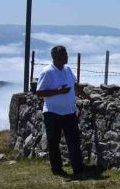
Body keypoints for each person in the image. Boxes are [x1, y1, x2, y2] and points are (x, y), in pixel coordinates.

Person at [35, 45, 91, 178]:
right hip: (52, 113)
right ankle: (57, 169)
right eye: (63, 55)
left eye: (66, 54)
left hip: (69, 112)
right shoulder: (47, 72)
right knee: (54, 142)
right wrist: (58, 91)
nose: (67, 57)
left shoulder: (68, 69)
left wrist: (88, 97)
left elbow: (75, 86)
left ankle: (78, 168)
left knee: (74, 141)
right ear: (56, 58)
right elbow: (39, 92)